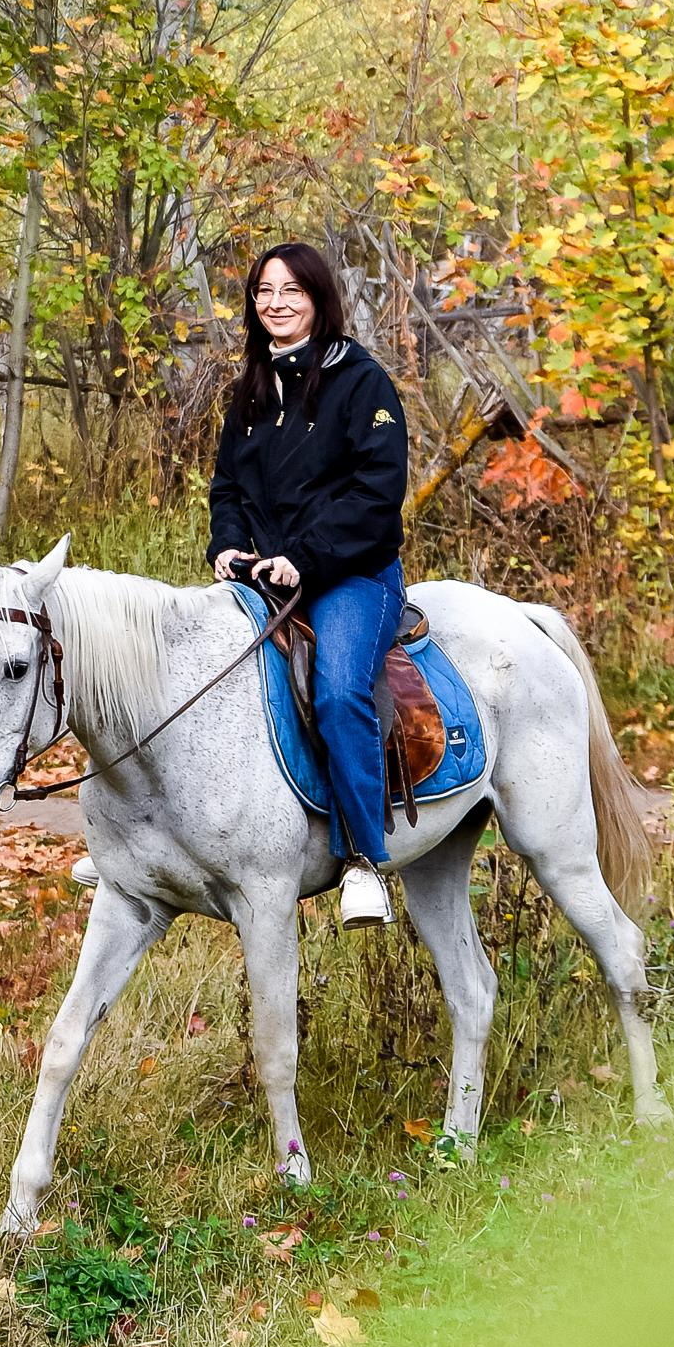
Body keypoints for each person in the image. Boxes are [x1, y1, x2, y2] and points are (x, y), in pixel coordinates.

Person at [208, 240, 411, 927]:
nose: (276, 303)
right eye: (264, 291)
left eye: (291, 290)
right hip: (269, 576)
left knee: (339, 691)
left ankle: (363, 861)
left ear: (319, 298)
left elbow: (377, 493)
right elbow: (228, 485)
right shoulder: (251, 389)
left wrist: (306, 556)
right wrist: (228, 544)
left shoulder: (362, 382)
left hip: (353, 575)